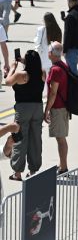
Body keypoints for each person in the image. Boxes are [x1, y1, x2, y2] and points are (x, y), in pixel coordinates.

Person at [5, 50, 43, 180]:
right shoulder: (42, 73)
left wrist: (12, 68)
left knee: (20, 139)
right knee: (36, 139)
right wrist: (24, 61)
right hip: (38, 108)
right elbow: (33, 66)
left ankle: (17, 172)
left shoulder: (21, 75)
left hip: (23, 109)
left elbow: (8, 82)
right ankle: (33, 170)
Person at [44, 42, 71, 173]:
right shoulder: (63, 66)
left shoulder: (55, 70)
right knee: (61, 138)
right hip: (64, 107)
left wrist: (46, 110)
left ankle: (63, 167)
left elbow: (53, 92)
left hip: (58, 108)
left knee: (60, 139)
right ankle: (62, 164)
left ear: (51, 53)